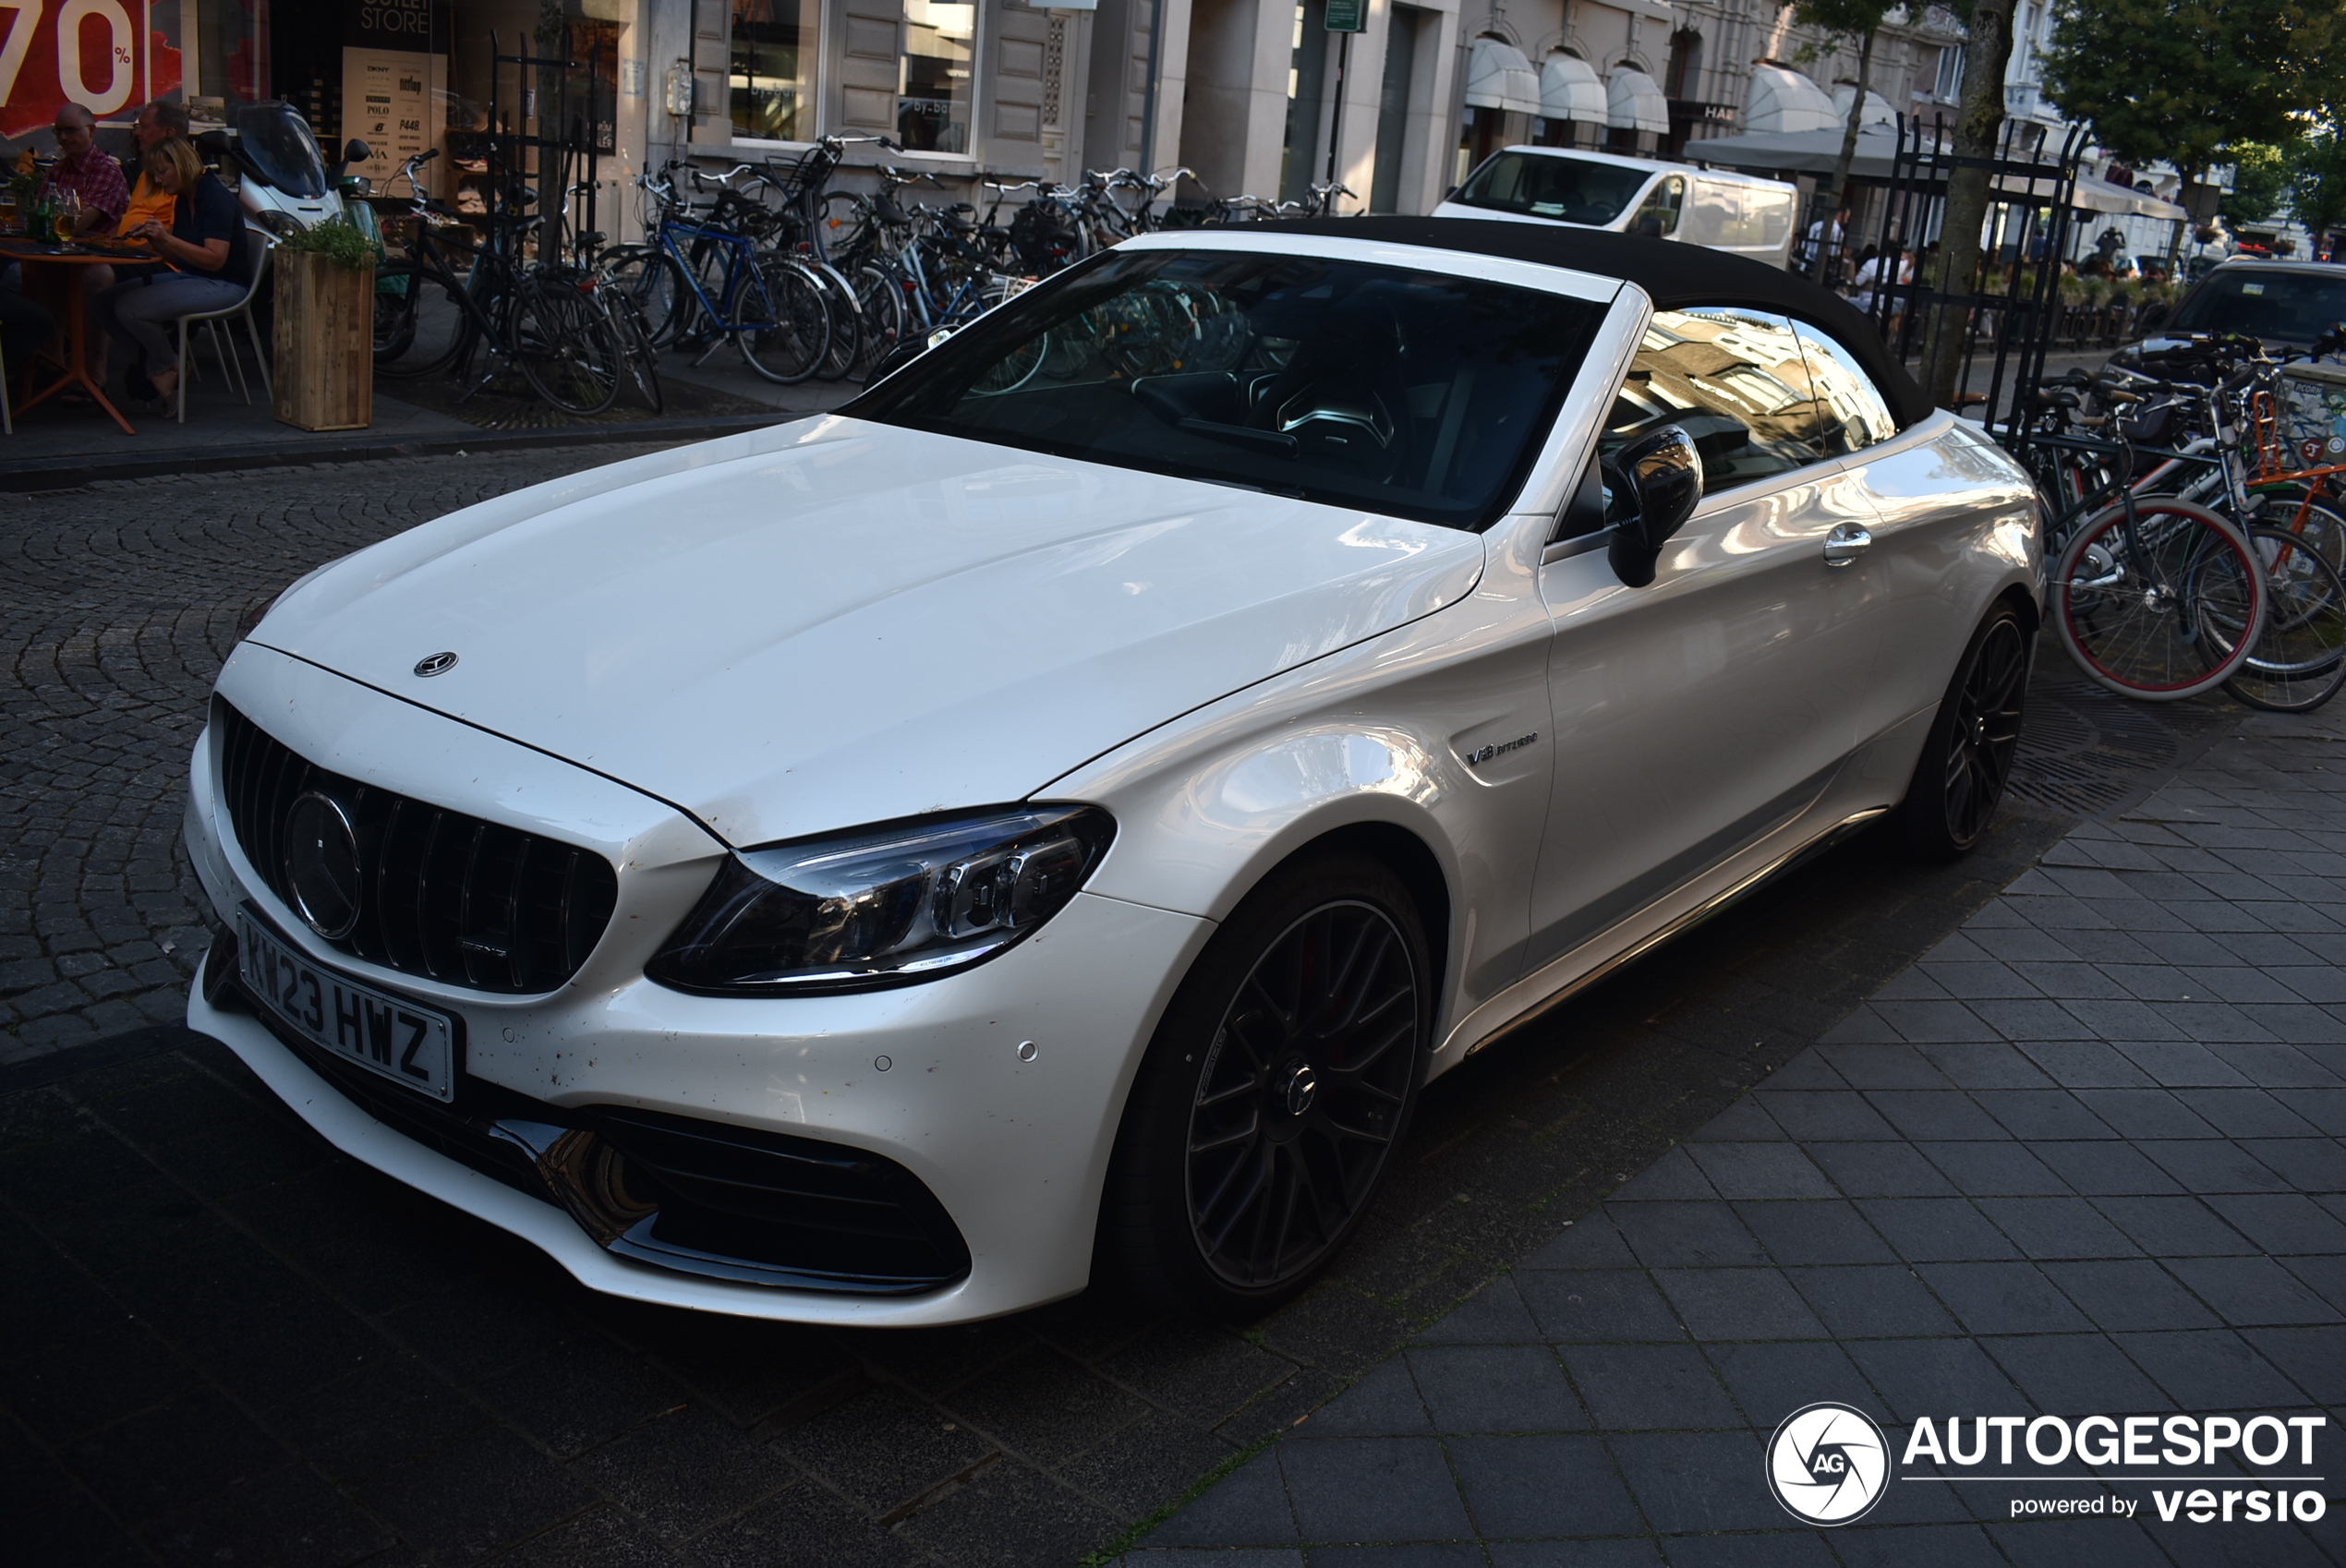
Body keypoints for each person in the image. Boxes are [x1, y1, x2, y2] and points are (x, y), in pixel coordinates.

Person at [89, 137, 250, 415]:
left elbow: (214, 259)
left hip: (225, 284)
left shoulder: (216, 199)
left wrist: (166, 239)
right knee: (103, 304)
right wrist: (146, 242)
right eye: (154, 174)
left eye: (162, 172)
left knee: (130, 309)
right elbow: (178, 254)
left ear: (183, 165)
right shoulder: (183, 198)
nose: (159, 180)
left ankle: (165, 370)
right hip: (193, 276)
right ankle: (167, 367)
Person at [35, 104, 128, 236]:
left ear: (91, 131)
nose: (63, 137)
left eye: (71, 130)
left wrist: (56, 208)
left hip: (94, 252)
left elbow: (76, 225)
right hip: (58, 248)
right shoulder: (56, 170)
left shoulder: (107, 170)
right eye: (59, 131)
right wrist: (74, 208)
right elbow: (36, 212)